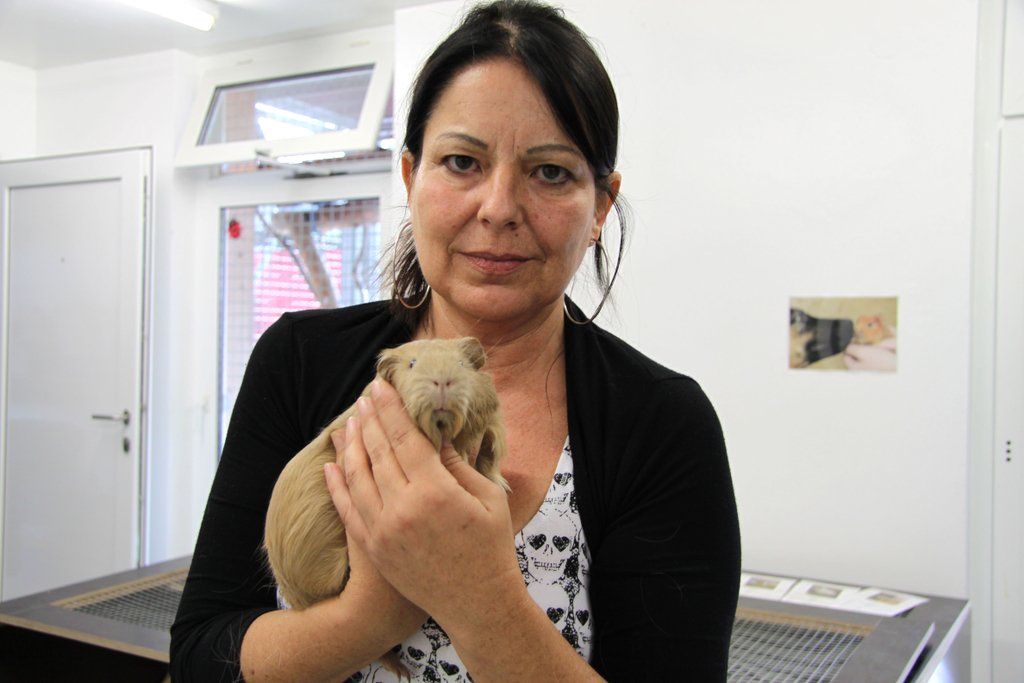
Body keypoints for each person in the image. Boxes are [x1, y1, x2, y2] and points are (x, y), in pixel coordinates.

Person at [170, 1, 741, 680]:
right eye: (462, 161)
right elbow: (202, 652)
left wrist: (480, 596)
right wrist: (370, 614)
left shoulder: (662, 424)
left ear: (600, 206)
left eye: (551, 172)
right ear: (411, 177)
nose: (498, 208)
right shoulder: (299, 360)